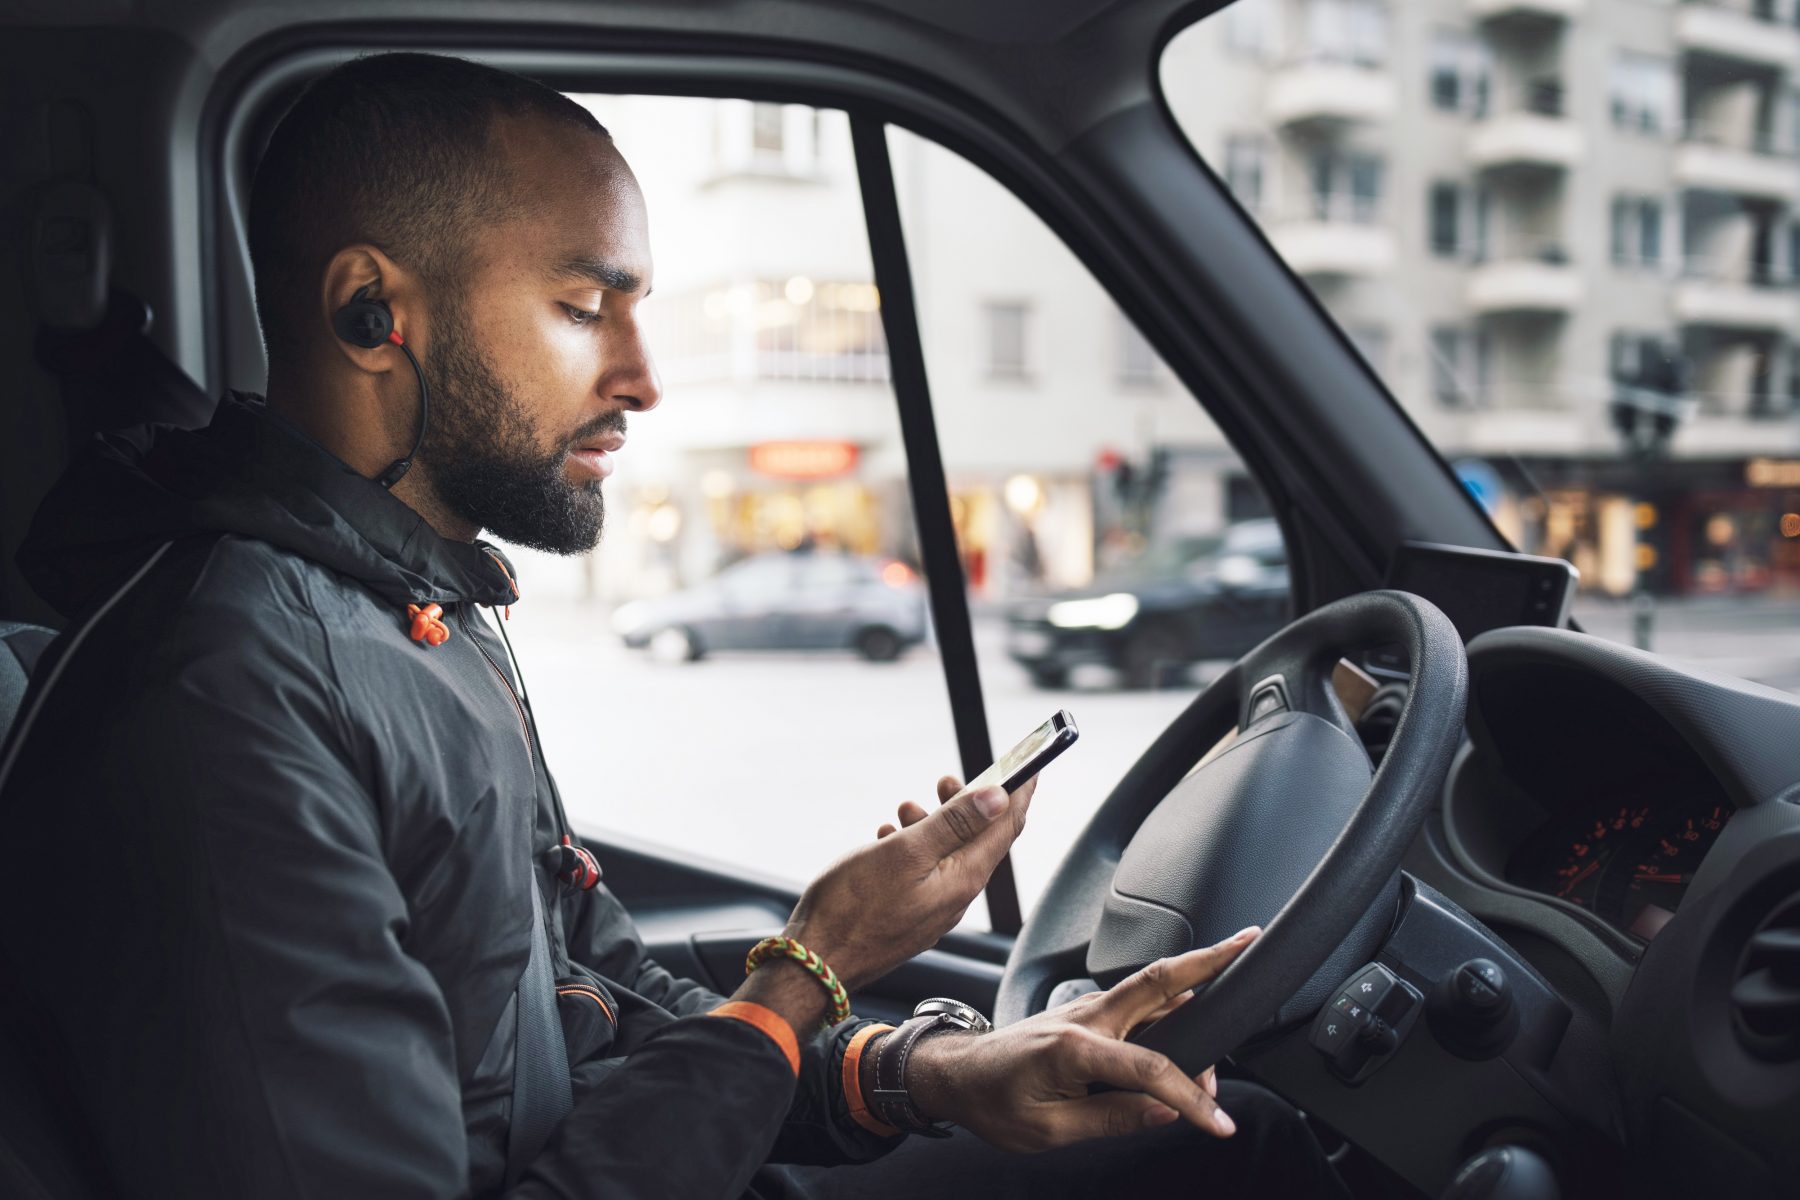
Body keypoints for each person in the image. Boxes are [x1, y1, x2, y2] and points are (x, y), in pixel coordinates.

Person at [0, 53, 1348, 1199]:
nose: (642, 379)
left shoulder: (417, 607)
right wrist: (812, 966)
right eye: (586, 309)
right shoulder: (225, 698)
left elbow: (597, 1007)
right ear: (373, 313)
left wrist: (926, 1071)